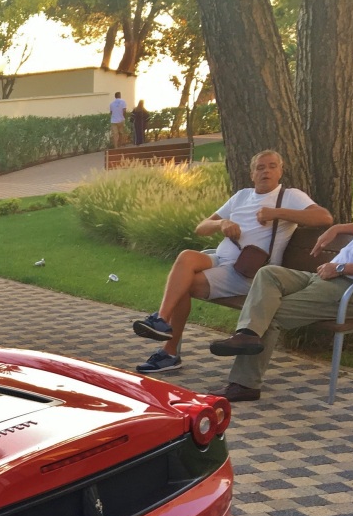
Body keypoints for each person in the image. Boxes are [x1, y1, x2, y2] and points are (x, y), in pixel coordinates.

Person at [129, 150, 330, 374]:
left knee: (183, 285)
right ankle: (161, 320)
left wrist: (277, 213)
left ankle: (169, 352)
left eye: (272, 166)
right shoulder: (242, 196)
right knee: (186, 256)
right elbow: (201, 227)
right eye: (260, 167)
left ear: (281, 171)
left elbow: (324, 217)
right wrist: (222, 224)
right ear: (252, 174)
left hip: (247, 272)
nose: (266, 171)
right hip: (220, 257)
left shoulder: (290, 195)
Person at [208, 170, 353, 402]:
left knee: (267, 314)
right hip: (325, 279)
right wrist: (338, 228)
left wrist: (340, 268)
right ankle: (247, 335)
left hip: (351, 292)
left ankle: (244, 385)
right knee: (269, 273)